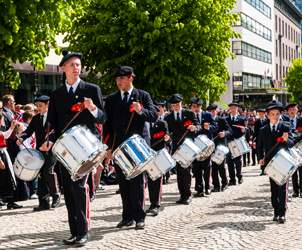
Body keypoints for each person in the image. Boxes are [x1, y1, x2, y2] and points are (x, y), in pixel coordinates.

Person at [40, 51, 106, 246]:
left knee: (79, 186)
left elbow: (103, 118)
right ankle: (74, 231)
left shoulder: (92, 89)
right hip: (65, 150)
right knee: (68, 189)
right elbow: (51, 124)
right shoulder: (57, 94)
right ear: (63, 69)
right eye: (72, 65)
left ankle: (84, 231)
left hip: (86, 147)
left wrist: (93, 108)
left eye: (78, 65)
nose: (76, 68)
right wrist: (49, 139)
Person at [104, 65, 157, 230]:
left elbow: (153, 116)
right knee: (123, 183)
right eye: (117, 78)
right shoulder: (112, 99)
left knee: (137, 183)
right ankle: (127, 216)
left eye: (122, 78)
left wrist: (140, 110)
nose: (119, 81)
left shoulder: (142, 95)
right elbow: (108, 125)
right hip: (119, 146)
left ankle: (139, 216)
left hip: (137, 146)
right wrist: (108, 147)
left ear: (130, 78)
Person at [17, 95, 61, 211]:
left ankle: (56, 195)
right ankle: (43, 202)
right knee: (40, 175)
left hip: (52, 149)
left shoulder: (54, 118)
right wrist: (22, 138)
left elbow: (58, 132)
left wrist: (50, 142)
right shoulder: (36, 118)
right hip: (39, 151)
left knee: (48, 171)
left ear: (48, 105)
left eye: (40, 106)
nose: (38, 108)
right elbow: (28, 131)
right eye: (37, 106)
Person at [257, 100, 294, 224]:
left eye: (277, 114)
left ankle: (282, 213)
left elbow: (291, 143)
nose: (275, 117)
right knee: (273, 188)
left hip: (283, 161)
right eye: (272, 114)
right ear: (268, 115)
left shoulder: (285, 126)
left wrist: (287, 139)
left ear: (280, 115)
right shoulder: (263, 130)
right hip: (270, 163)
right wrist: (260, 158)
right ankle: (275, 211)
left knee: (282, 187)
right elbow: (259, 146)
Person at [165, 94, 198, 205]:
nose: (176, 106)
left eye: (178, 104)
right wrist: (167, 136)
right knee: (179, 172)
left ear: (181, 103)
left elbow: (197, 125)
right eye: (174, 105)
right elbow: (168, 131)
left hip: (187, 147)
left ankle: (188, 195)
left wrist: (194, 128)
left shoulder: (189, 114)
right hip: (176, 147)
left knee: (187, 171)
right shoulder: (168, 117)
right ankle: (182, 195)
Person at [147, 105, 171, 216]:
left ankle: (156, 205)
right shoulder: (145, 124)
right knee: (149, 182)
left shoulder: (162, 123)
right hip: (147, 155)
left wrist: (167, 139)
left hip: (158, 154)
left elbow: (167, 138)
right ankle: (151, 204)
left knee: (156, 180)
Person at [190, 97, 216, 197]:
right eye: (194, 106)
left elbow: (215, 127)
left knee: (207, 167)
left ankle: (207, 187)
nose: (196, 108)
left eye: (198, 106)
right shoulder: (190, 115)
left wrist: (208, 127)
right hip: (195, 146)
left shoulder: (207, 115)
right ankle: (199, 189)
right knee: (197, 168)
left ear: (201, 106)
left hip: (206, 146)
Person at [207, 104, 232, 192]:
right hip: (211, 146)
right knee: (213, 167)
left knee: (221, 165)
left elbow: (230, 131)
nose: (212, 113)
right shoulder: (206, 120)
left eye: (214, 111)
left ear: (217, 111)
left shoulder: (221, 120)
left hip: (221, 145)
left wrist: (224, 133)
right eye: (211, 111)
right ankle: (216, 185)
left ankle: (225, 183)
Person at [282, 103, 302, 197]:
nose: (292, 111)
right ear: (287, 111)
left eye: (294, 109)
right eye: (290, 109)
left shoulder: (301, 120)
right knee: (293, 170)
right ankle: (295, 190)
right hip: (290, 148)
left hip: (300, 148)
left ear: (297, 110)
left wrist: (295, 137)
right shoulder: (284, 122)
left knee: (301, 170)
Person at [226, 102, 245, 185]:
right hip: (228, 141)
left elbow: (244, 130)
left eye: (234, 108)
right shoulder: (226, 119)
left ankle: (239, 176)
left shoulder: (241, 119)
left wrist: (244, 131)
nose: (233, 109)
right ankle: (232, 179)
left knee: (238, 161)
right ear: (230, 109)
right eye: (231, 108)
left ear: (237, 109)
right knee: (229, 161)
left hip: (237, 141)